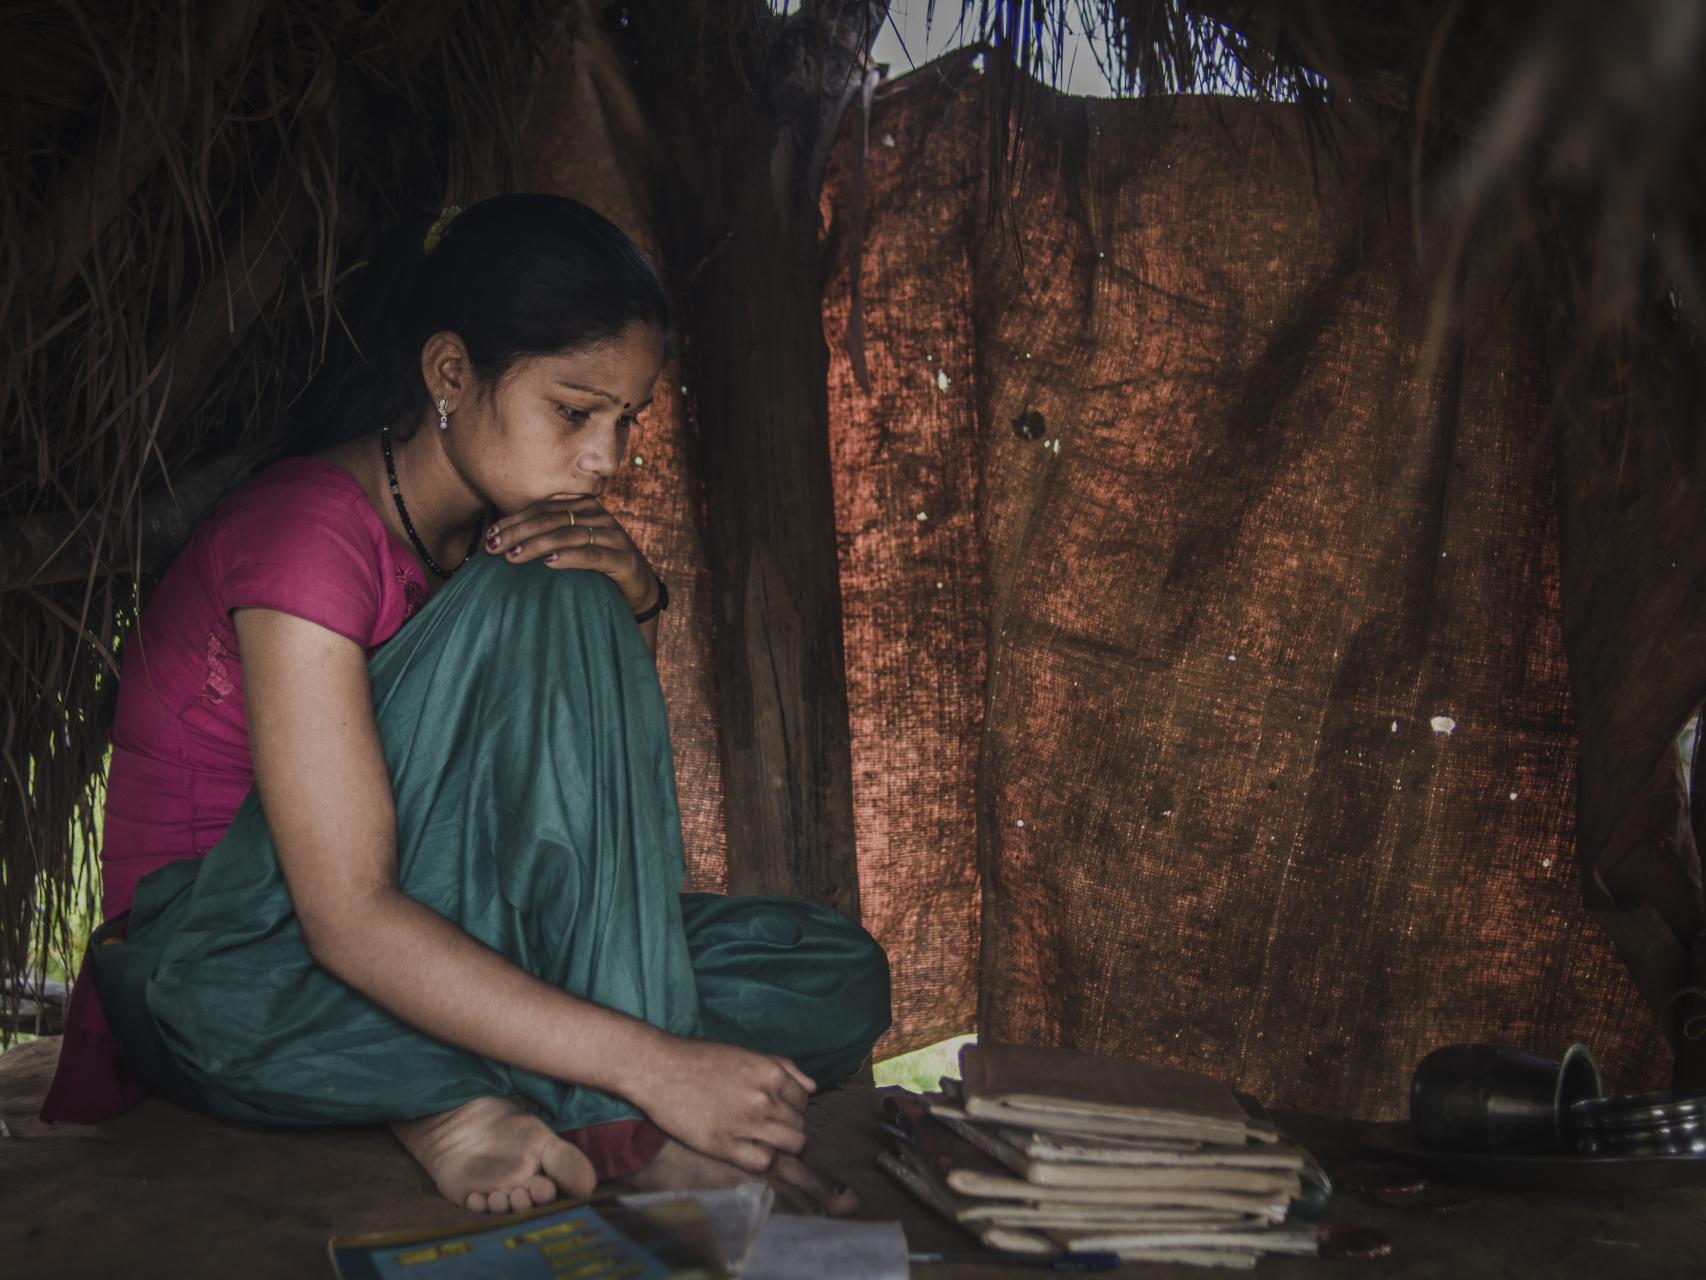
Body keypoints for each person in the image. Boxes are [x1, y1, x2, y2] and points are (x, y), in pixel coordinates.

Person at [40, 194, 891, 1216]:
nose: (607, 458)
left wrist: (639, 602)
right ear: (449, 374)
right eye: (574, 411)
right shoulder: (308, 535)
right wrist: (657, 1066)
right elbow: (346, 917)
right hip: (236, 960)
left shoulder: (503, 535)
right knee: (556, 594)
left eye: (627, 420)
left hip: (446, 920)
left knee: (833, 971)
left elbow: (592, 808)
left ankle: (457, 1077)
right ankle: (602, 1112)